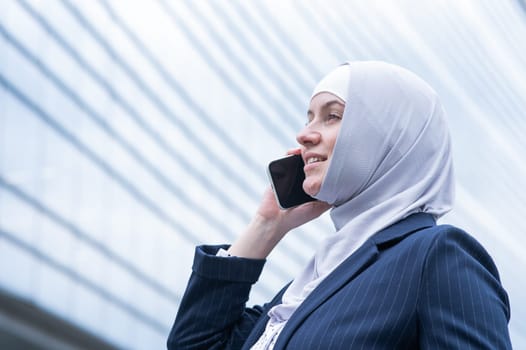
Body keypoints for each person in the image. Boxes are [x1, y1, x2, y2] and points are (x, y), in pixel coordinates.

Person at [167, 61, 512, 349]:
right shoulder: (306, 287)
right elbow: (194, 344)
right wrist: (267, 225)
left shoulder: (437, 256)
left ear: (390, 136)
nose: (305, 135)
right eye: (309, 117)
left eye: (332, 116)